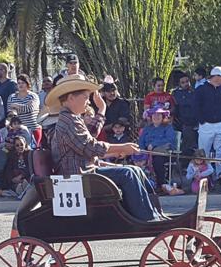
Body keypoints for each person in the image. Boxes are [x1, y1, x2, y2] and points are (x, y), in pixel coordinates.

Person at [48, 73, 160, 221]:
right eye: (85, 97)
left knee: (135, 169)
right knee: (128, 173)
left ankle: (154, 212)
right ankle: (147, 218)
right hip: (79, 177)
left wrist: (102, 110)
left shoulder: (72, 119)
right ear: (70, 98)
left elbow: (89, 139)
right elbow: (90, 146)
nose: (88, 102)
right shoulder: (68, 121)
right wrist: (121, 148)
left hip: (85, 171)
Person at [193, 66, 221, 176]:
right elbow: (196, 106)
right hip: (206, 125)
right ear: (216, 76)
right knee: (203, 152)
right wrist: (202, 121)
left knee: (220, 152)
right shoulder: (201, 89)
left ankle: (219, 175)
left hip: (219, 124)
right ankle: (201, 175)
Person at [138, 107, 177, 192]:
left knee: (157, 160)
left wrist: (154, 144)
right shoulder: (147, 128)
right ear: (151, 116)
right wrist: (142, 150)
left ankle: (161, 184)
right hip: (147, 152)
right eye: (154, 115)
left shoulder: (168, 127)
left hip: (164, 153)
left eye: (158, 114)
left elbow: (170, 140)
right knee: (136, 158)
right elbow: (141, 140)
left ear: (163, 116)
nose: (156, 116)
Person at [6, 74, 41, 146]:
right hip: (18, 130)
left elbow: (30, 108)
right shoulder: (12, 97)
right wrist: (23, 107)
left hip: (33, 128)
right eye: (19, 83)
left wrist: (16, 106)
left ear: (27, 84)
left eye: (23, 83)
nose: (20, 85)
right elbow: (10, 113)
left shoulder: (33, 96)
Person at [171, 72, 198, 166]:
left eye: (187, 81)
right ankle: (184, 165)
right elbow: (178, 106)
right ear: (179, 84)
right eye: (183, 82)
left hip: (195, 123)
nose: (186, 84)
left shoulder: (195, 92)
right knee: (186, 145)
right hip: (183, 124)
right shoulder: (176, 94)